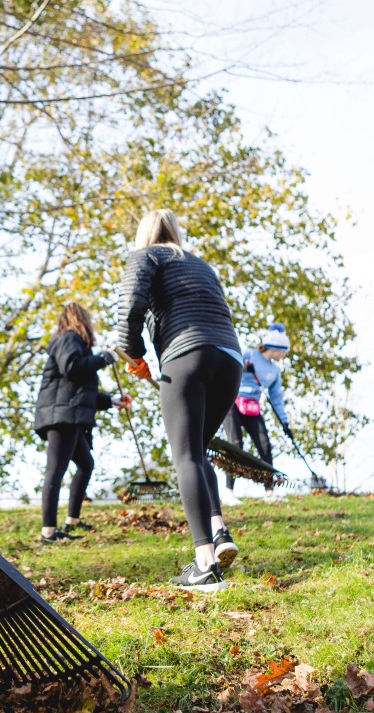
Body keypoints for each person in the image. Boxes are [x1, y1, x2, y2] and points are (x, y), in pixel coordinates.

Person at [117, 209, 242, 591]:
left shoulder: (145, 256)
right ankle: (220, 533)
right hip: (230, 358)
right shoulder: (200, 263)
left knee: (185, 454)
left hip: (186, 356)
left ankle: (204, 565)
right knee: (198, 450)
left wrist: (133, 353)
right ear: (176, 231)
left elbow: (130, 308)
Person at [33, 302, 131, 543]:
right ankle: (48, 531)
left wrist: (112, 401)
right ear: (80, 320)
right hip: (62, 416)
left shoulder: (75, 344)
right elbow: (72, 368)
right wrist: (104, 358)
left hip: (70, 413)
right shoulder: (68, 339)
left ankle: (72, 520)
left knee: (86, 464)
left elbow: (82, 392)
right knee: (55, 471)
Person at [221, 323, 292, 491]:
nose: (283, 355)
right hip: (233, 403)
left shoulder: (274, 371)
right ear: (275, 348)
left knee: (265, 445)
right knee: (236, 445)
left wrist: (285, 423)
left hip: (252, 408)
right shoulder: (250, 354)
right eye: (283, 351)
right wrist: (241, 368)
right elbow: (229, 366)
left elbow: (276, 398)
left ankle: (269, 490)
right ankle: (229, 491)